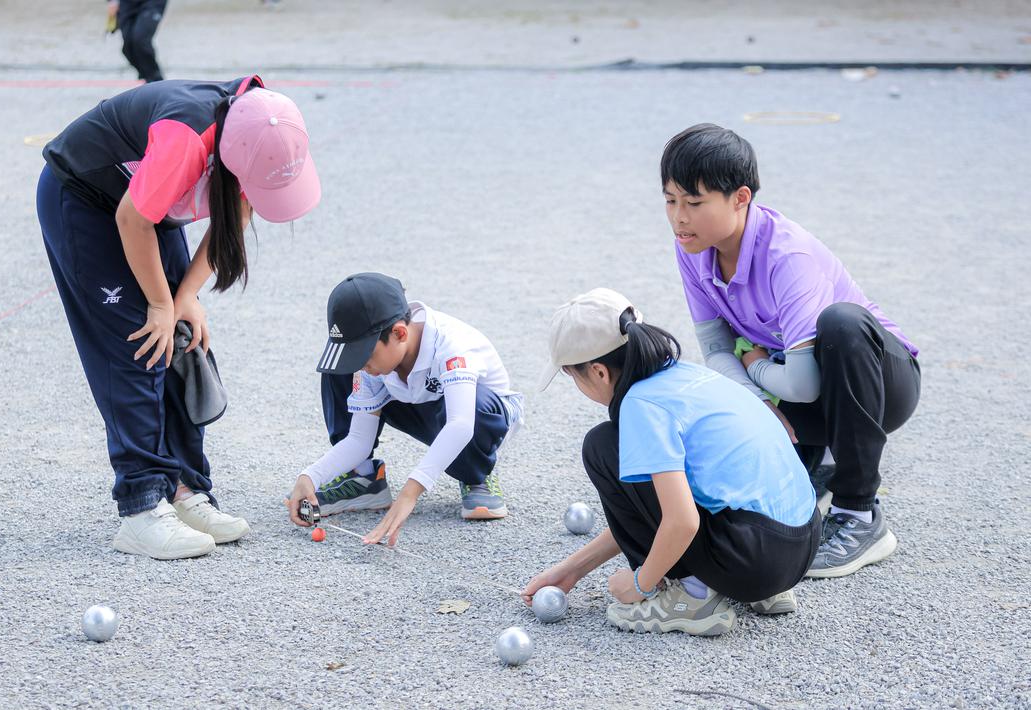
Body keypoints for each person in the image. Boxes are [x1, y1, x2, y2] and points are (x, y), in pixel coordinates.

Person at [38, 76, 321, 558]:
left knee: (185, 339)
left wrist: (186, 296)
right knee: (141, 341)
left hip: (144, 202)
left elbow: (239, 211)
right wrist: (160, 303)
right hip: (88, 201)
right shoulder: (185, 140)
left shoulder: (265, 124)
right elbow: (132, 219)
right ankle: (142, 507)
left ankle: (184, 489)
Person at [662, 123, 920, 578]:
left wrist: (755, 367)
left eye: (694, 203)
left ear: (740, 198)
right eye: (670, 200)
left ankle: (859, 514)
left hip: (880, 385)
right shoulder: (692, 247)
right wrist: (759, 401)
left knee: (842, 321)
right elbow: (716, 349)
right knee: (699, 397)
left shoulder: (787, 254)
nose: (679, 217)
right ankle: (814, 461)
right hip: (797, 384)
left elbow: (802, 384)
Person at [523, 289, 818, 636]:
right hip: (800, 545)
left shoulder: (641, 405)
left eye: (574, 377)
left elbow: (680, 521)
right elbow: (654, 508)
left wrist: (641, 584)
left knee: (602, 446)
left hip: (753, 561)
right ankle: (764, 593)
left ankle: (692, 599)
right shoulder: (686, 377)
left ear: (599, 372)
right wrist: (573, 569)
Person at [286, 273, 524, 546]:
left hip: (482, 417)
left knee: (472, 409)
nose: (361, 364)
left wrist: (410, 492)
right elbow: (359, 439)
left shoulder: (451, 345)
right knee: (339, 371)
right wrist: (310, 477)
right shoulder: (378, 360)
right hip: (423, 402)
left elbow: (460, 424)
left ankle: (476, 475)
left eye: (363, 354)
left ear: (399, 333)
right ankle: (362, 477)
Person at [107, 0, 169, 83]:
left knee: (140, 40)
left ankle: (157, 80)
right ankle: (147, 77)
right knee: (127, 47)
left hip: (152, 3)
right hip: (126, 4)